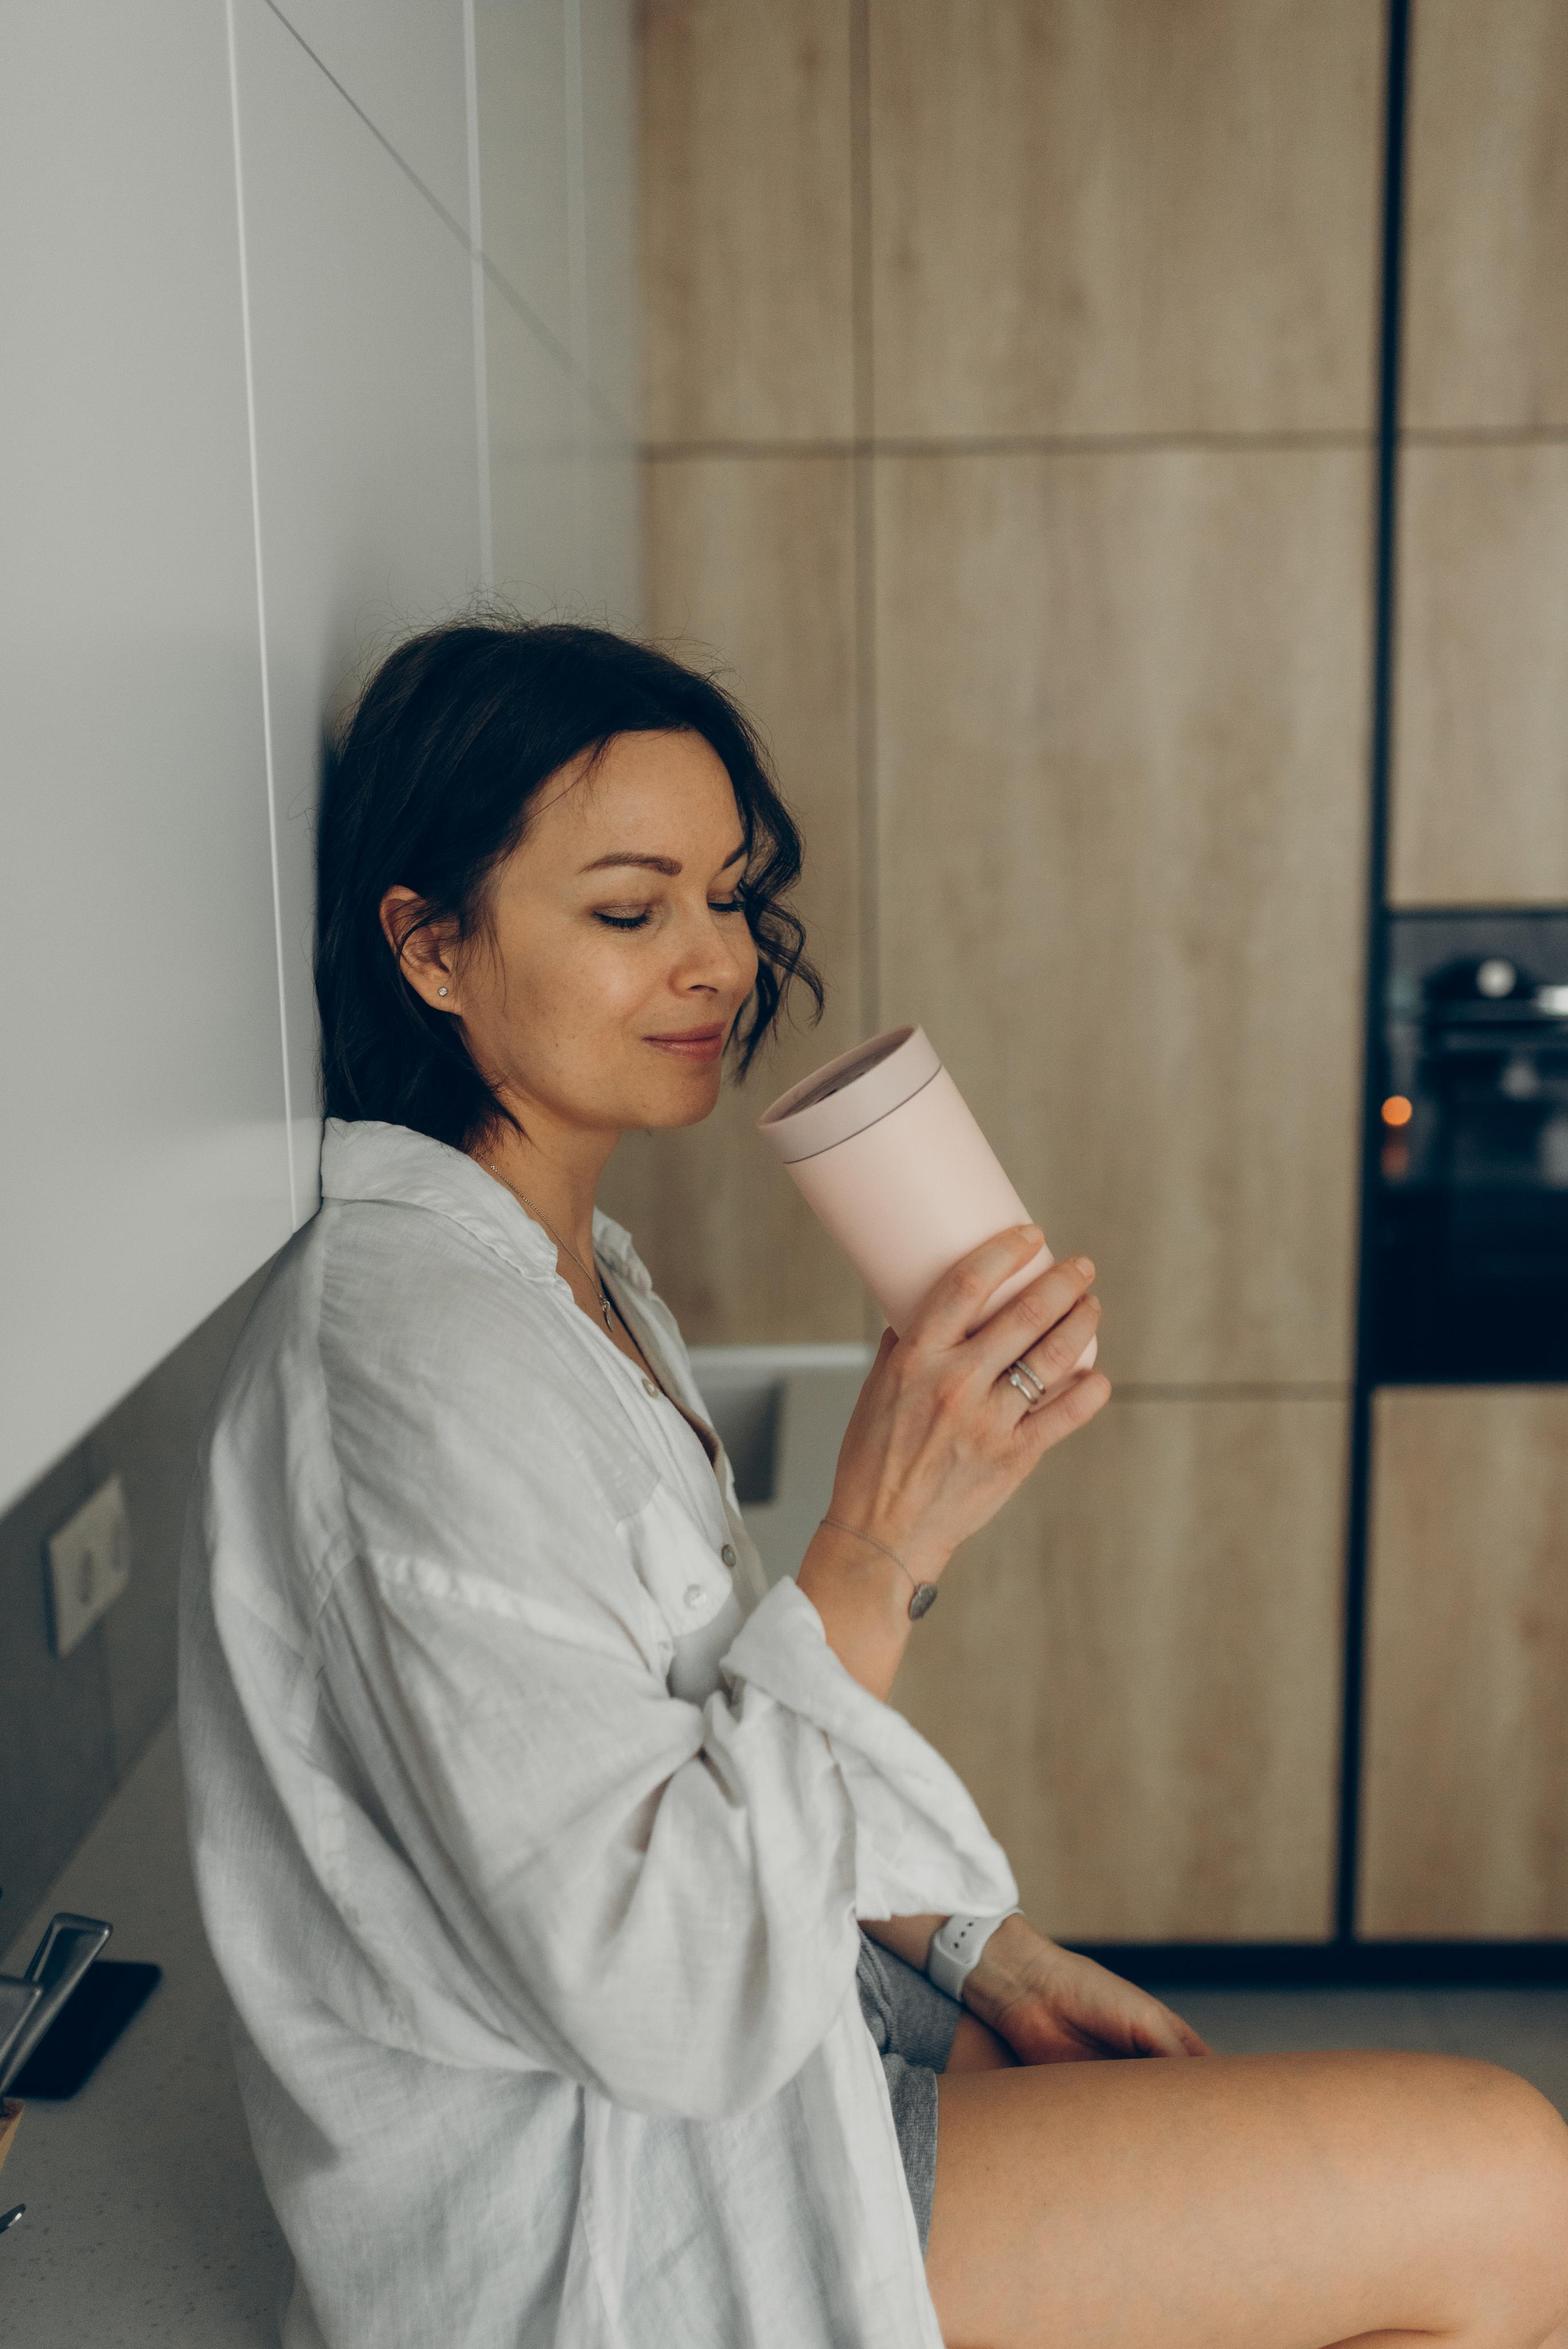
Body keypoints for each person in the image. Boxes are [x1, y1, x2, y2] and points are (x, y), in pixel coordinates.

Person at [180, 619, 1568, 2349]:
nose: (714, 962)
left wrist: (968, 1942)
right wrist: (880, 1537)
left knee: (1277, 2162)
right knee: (1511, 2185)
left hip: (747, 2079)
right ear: (432, 947)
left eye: (728, 897)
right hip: (611, 2226)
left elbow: (680, 1726)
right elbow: (664, 1992)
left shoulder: (567, 1274)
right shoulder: (409, 1360)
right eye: (631, 909)